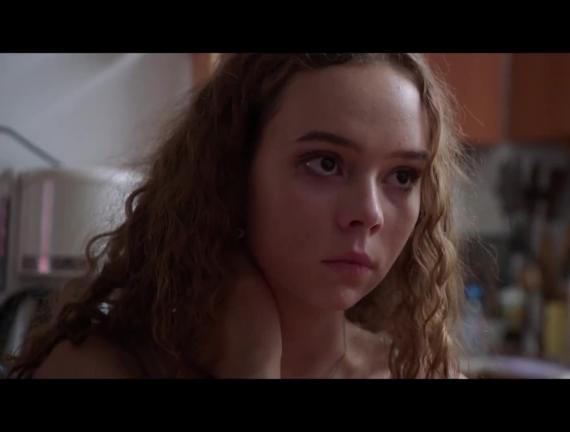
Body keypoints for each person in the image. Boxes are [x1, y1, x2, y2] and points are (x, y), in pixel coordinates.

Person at [7, 53, 469, 379]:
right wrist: (253, 362)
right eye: (326, 163)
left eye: (402, 176)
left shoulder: (418, 373)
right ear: (232, 172)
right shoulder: (102, 368)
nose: (368, 214)